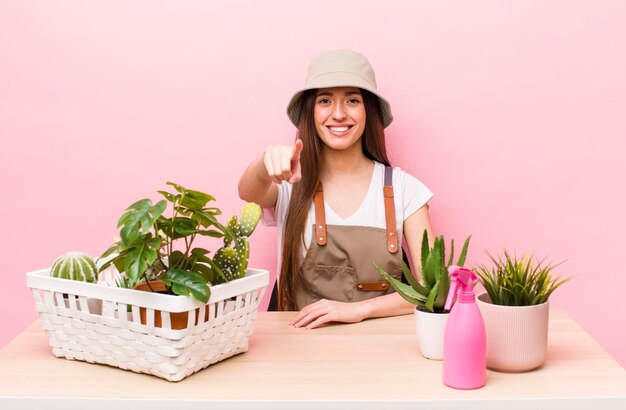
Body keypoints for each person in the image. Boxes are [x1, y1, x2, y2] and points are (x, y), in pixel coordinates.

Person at [238, 49, 434, 329]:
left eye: (352, 100)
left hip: (385, 354)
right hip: (297, 352)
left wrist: (358, 309)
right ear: (311, 111)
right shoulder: (291, 184)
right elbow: (248, 192)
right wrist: (265, 159)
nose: (339, 114)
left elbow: (432, 291)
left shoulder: (405, 190)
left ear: (368, 110)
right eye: (325, 100)